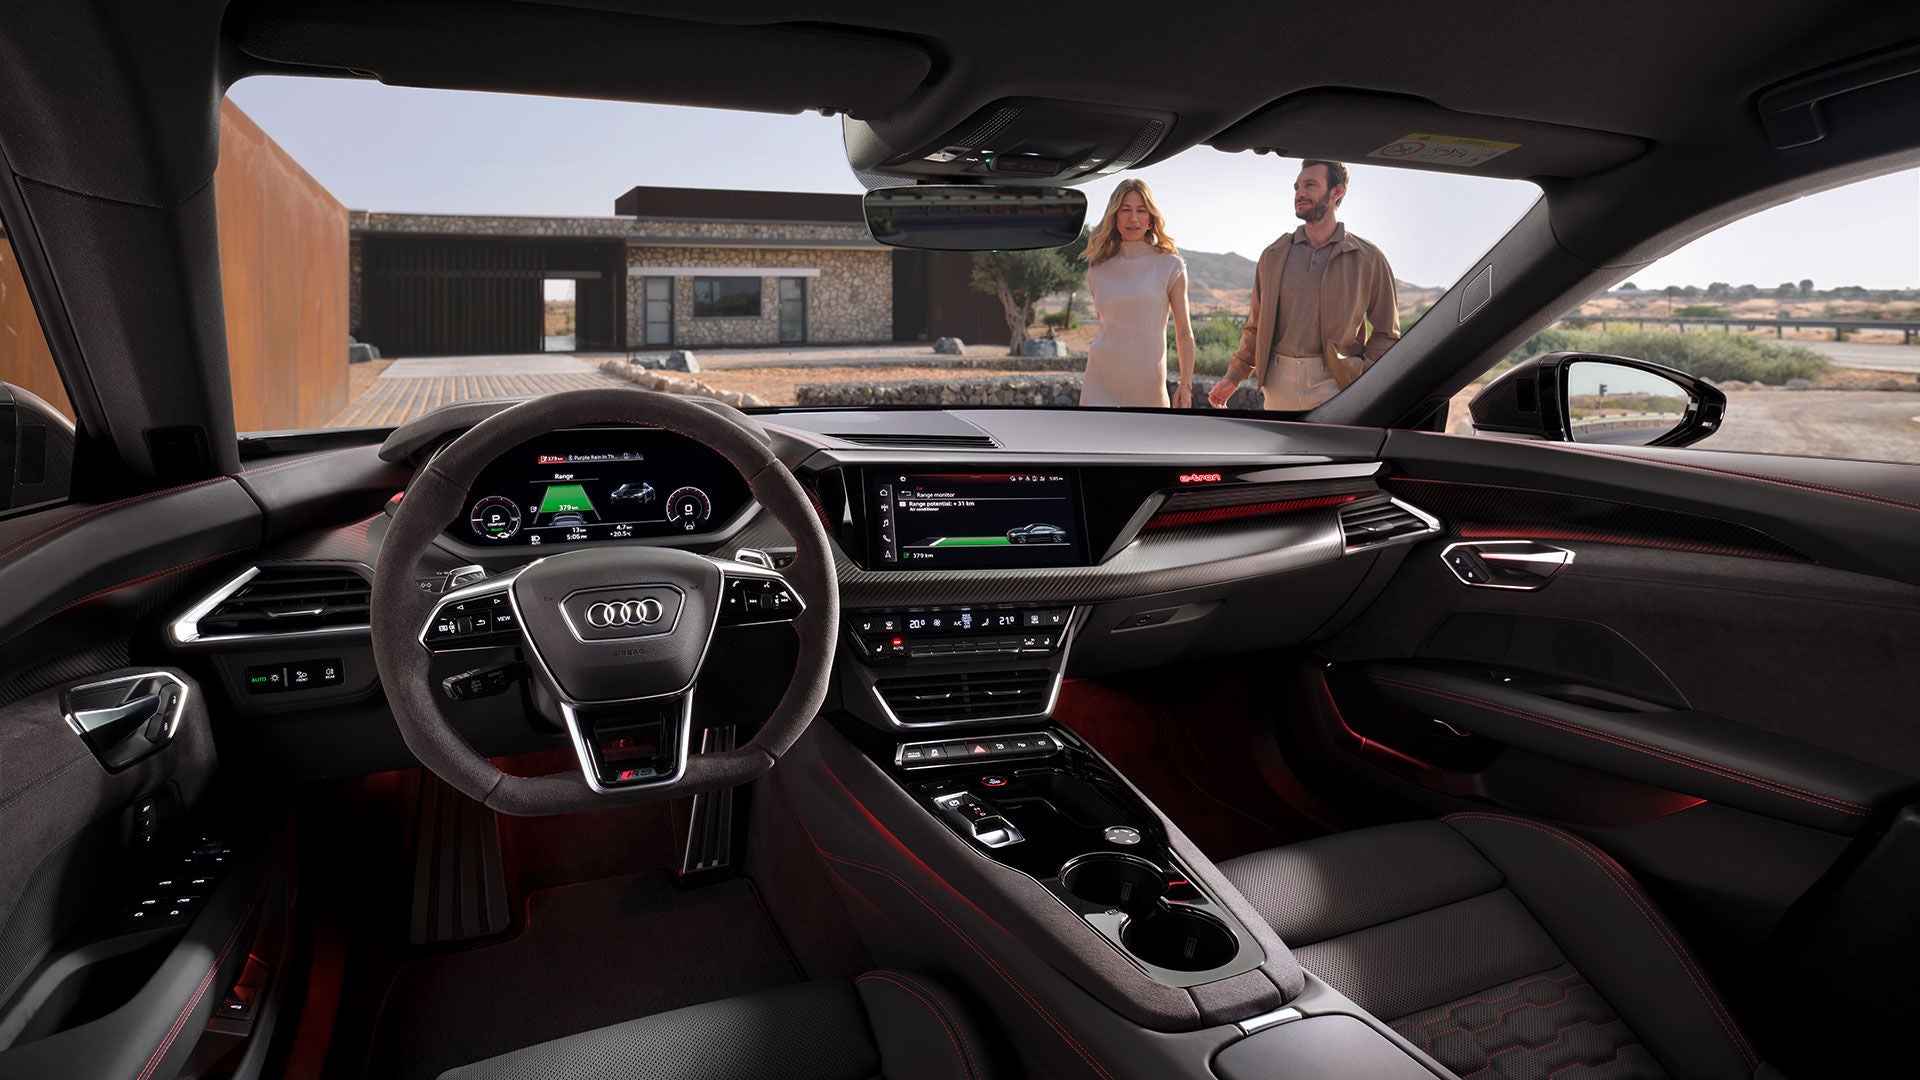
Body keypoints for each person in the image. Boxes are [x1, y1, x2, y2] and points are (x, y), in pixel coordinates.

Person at [1207, 160, 1400, 410]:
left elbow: (1387, 333)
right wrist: (1233, 376)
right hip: (1278, 384)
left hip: (1335, 383)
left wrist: (1363, 378)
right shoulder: (1273, 255)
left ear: (1336, 192)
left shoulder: (1368, 258)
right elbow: (1255, 326)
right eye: (1297, 187)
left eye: (1310, 185)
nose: (1300, 193)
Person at [1081, 179, 1197, 408]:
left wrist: (1186, 383)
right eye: (1125, 210)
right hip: (1098, 386)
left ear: (1150, 218)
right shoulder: (1097, 269)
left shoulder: (1170, 266)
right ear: (1114, 216)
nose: (1133, 218)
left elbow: (1184, 333)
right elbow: (1108, 328)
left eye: (1141, 210)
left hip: (1149, 391)